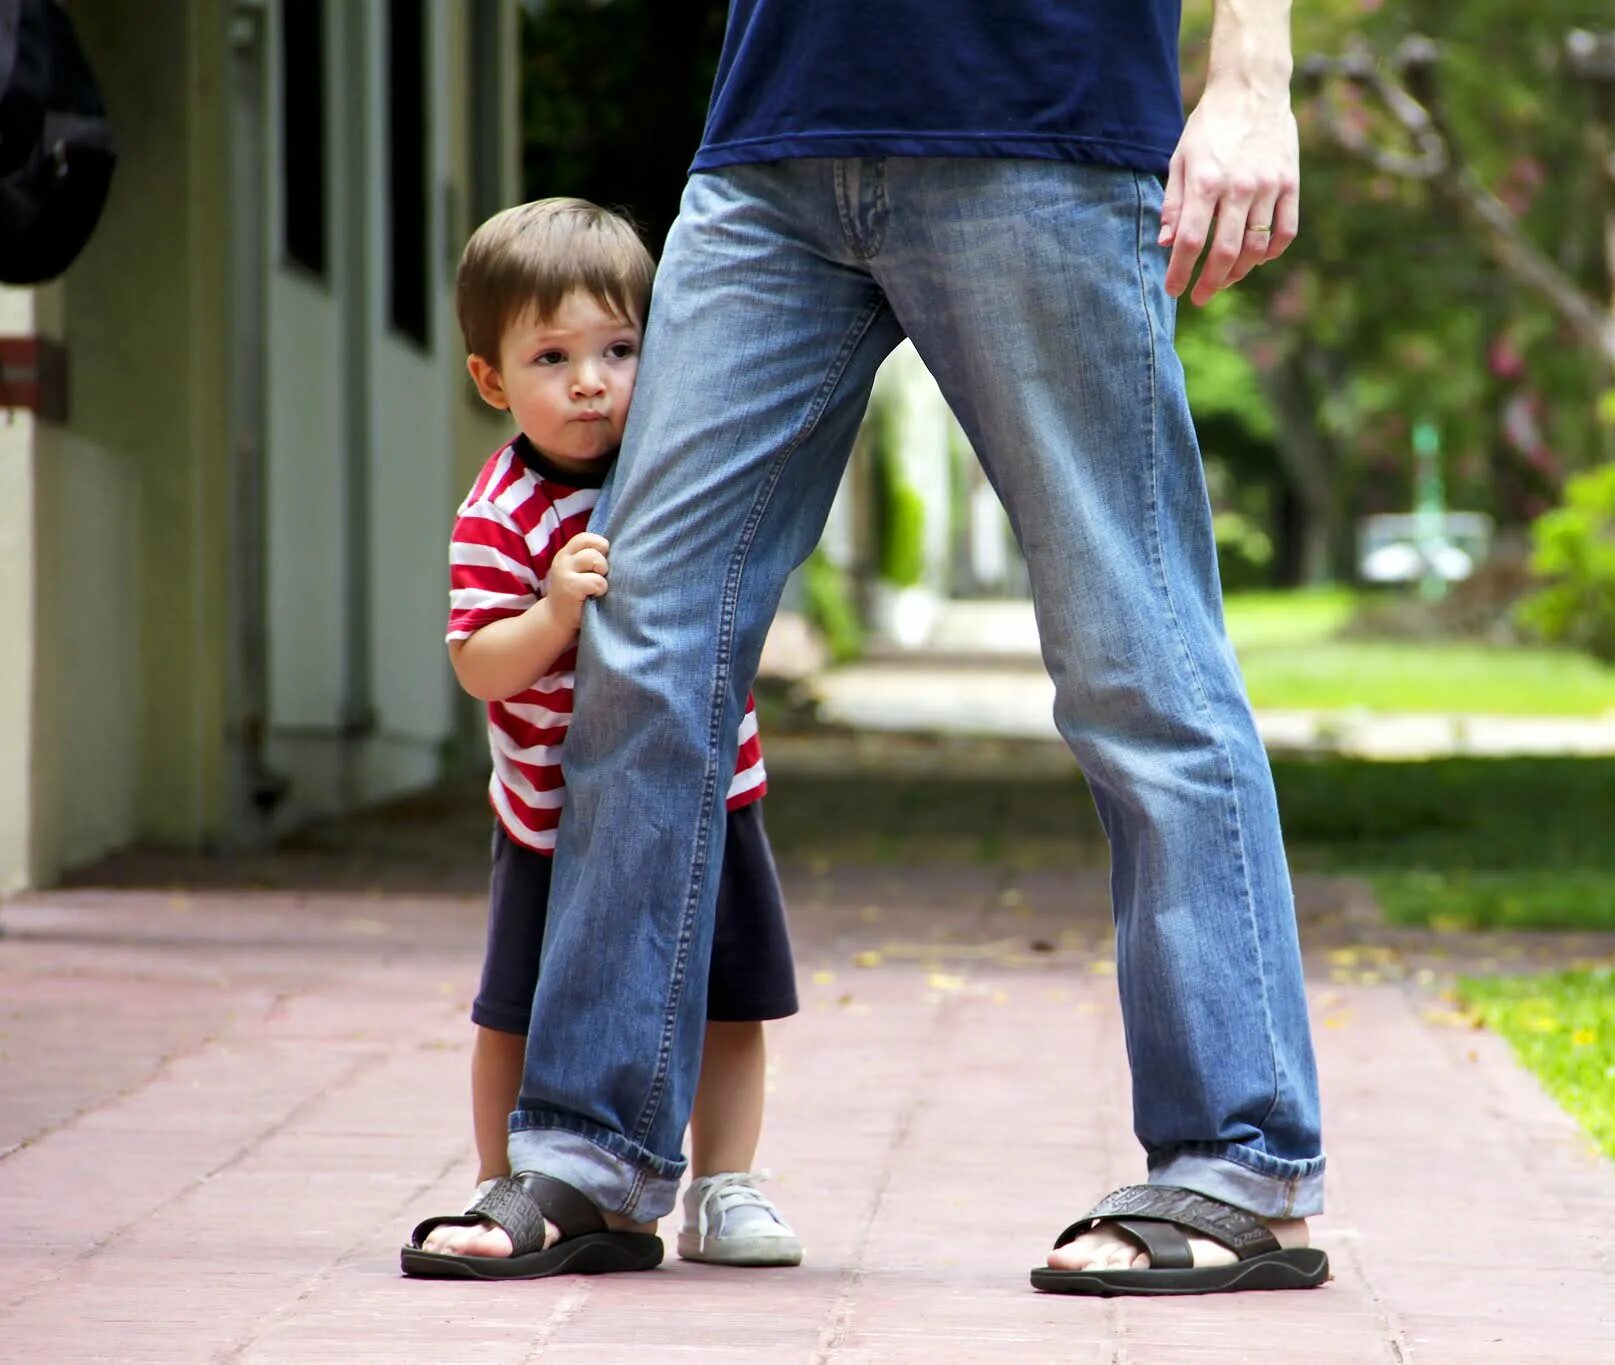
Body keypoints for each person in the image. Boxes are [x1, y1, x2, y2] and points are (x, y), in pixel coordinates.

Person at [409, 0, 1328, 1297]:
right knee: (643, 624)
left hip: (1037, 121)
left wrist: (1249, 74)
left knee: (1137, 654)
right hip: (772, 136)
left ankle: (1245, 1160)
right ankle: (592, 1153)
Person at [402, 199, 803, 1280]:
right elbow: (475, 661)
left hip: (710, 791)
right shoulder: (502, 511)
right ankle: (511, 1173)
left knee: (729, 997)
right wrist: (551, 615)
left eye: (619, 349)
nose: (591, 380)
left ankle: (723, 1184)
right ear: (493, 381)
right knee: (514, 1011)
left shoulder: (673, 474)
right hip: (550, 822)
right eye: (553, 356)